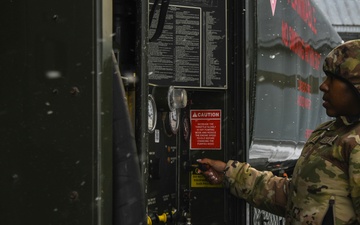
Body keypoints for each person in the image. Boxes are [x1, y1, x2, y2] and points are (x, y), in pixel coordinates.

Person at [197, 39, 360, 225]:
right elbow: (295, 197)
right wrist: (230, 173)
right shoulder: (327, 133)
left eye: (334, 79)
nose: (323, 86)